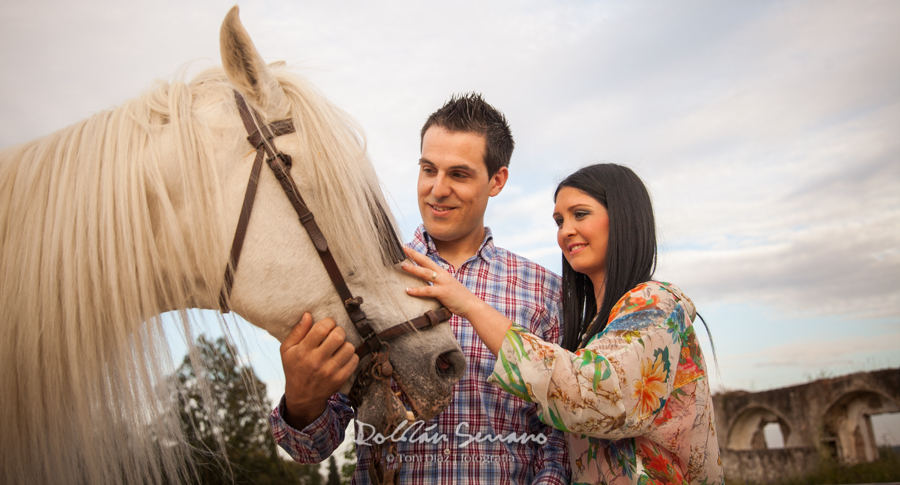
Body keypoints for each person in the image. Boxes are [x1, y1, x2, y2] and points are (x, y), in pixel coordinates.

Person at [269, 93, 570, 484]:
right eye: (429, 169)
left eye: (458, 175)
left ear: (497, 180)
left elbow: (560, 439)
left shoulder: (544, 292)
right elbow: (311, 447)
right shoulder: (364, 279)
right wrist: (301, 399)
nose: (437, 189)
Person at [402, 163, 724, 484]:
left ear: (624, 218)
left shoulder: (655, 305)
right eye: (559, 220)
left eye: (580, 214)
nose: (565, 230)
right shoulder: (594, 331)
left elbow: (597, 398)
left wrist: (470, 305)